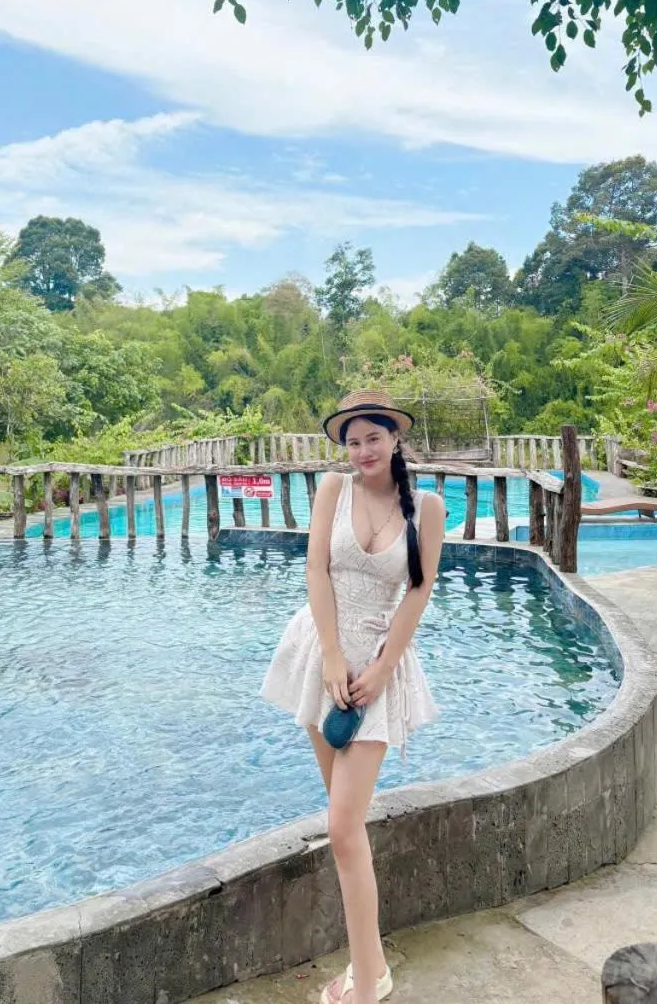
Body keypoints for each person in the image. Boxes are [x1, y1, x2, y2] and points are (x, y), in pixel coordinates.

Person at [261, 389, 445, 1004]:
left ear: (395, 438)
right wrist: (335, 657)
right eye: (352, 440)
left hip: (378, 665)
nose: (362, 450)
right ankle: (369, 968)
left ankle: (367, 982)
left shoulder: (427, 506)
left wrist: (384, 667)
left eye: (373, 437)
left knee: (342, 828)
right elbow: (316, 570)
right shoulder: (332, 490)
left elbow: (418, 593)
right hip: (322, 653)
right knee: (348, 828)